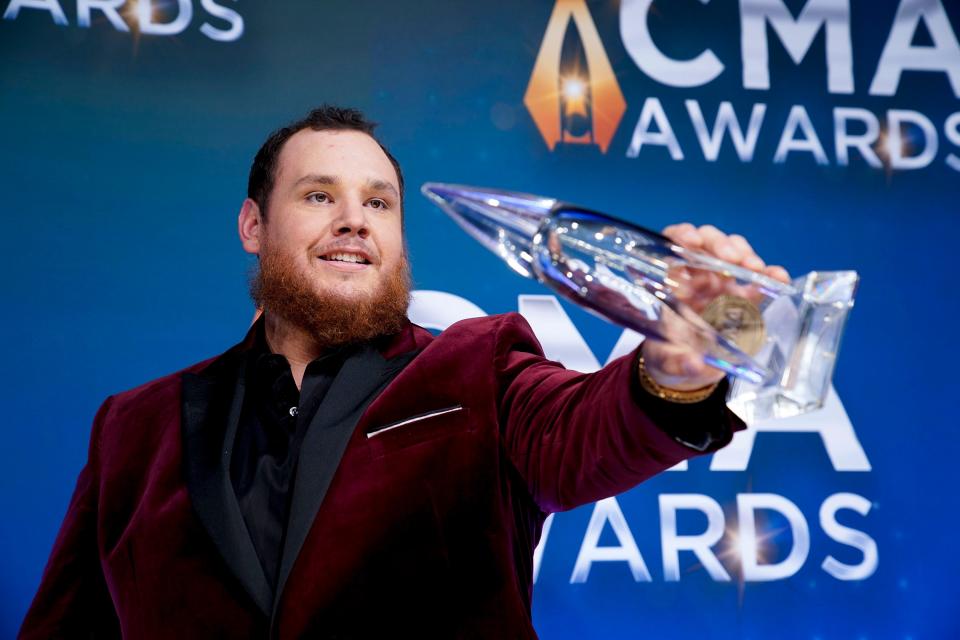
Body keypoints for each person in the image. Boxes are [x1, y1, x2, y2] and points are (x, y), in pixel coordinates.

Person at [20, 106, 791, 639]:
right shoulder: (134, 426)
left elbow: (586, 433)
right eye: (319, 195)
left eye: (379, 203)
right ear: (253, 226)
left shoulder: (476, 369)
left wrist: (675, 371)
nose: (354, 219)